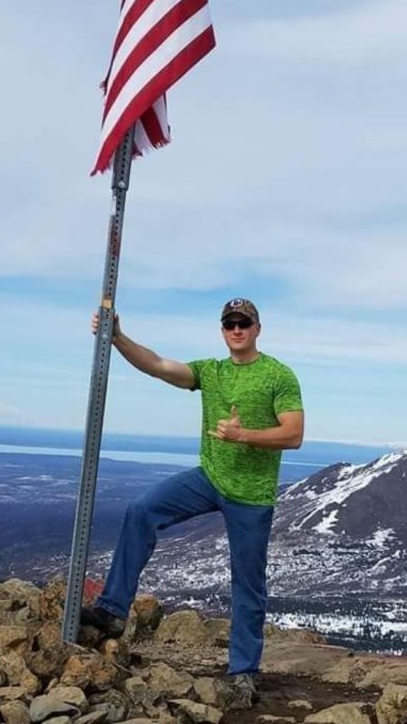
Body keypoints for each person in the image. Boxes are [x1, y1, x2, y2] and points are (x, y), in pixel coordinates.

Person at [81, 298, 304, 696]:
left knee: (247, 584)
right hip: (210, 477)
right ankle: (112, 611)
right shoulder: (211, 371)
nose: (237, 329)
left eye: (244, 323)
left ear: (257, 329)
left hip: (251, 496)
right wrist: (117, 338)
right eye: (230, 323)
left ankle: (242, 673)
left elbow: (294, 434)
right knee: (141, 509)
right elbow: (159, 365)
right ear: (222, 330)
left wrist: (244, 436)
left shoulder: (278, 375)